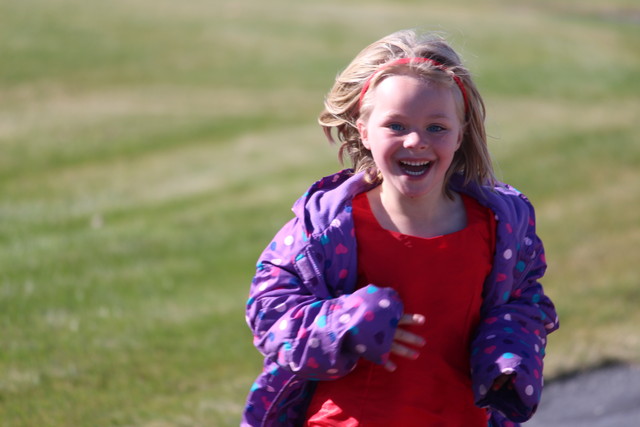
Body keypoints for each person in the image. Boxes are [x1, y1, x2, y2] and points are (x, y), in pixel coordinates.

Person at [242, 29, 558, 426]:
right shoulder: (327, 228)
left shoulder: (499, 229)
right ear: (363, 130)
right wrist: (348, 322)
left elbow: (525, 303)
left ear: (460, 134)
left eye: (436, 128)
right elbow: (271, 316)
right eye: (396, 125)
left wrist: (509, 345)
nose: (415, 141)